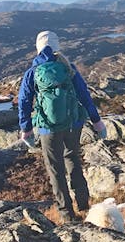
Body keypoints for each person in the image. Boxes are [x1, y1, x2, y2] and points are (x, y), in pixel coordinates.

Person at [18, 30, 106, 224]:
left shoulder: (32, 72)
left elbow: (24, 101)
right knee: (72, 158)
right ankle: (83, 204)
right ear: (57, 46)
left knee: (55, 169)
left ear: (38, 48)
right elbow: (84, 96)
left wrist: (26, 129)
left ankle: (67, 215)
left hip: (47, 128)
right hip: (73, 124)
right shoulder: (68, 67)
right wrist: (97, 121)